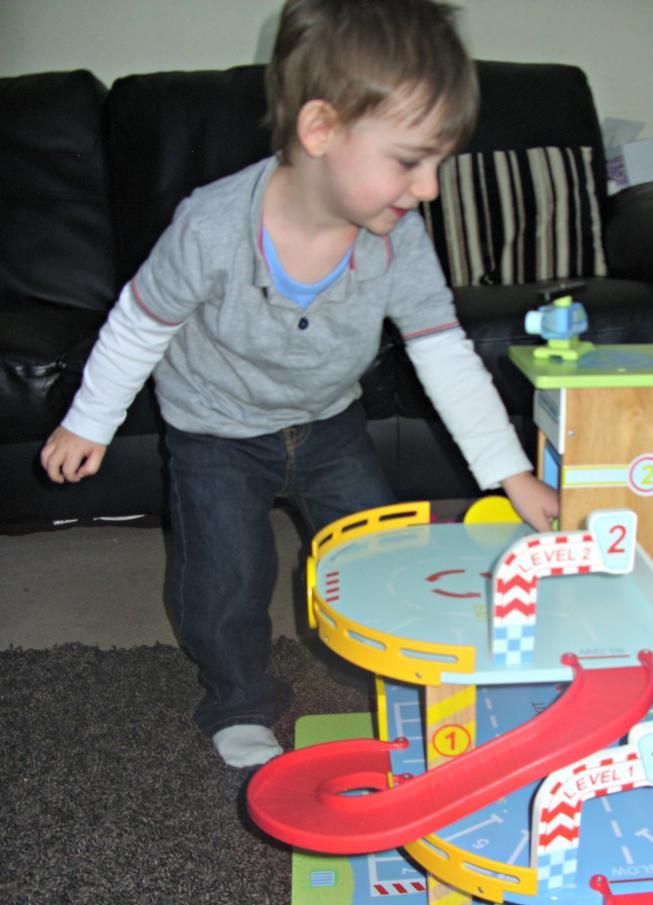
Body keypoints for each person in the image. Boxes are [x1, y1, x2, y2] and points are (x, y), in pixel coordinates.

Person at [41, 0, 559, 769]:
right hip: (214, 429)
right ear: (320, 130)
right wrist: (90, 419)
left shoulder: (398, 239)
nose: (430, 189)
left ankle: (393, 673)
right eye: (410, 161)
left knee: (382, 556)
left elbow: (443, 351)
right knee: (224, 578)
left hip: (328, 424)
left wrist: (511, 473)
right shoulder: (211, 227)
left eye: (439, 163)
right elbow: (141, 322)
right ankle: (239, 698)